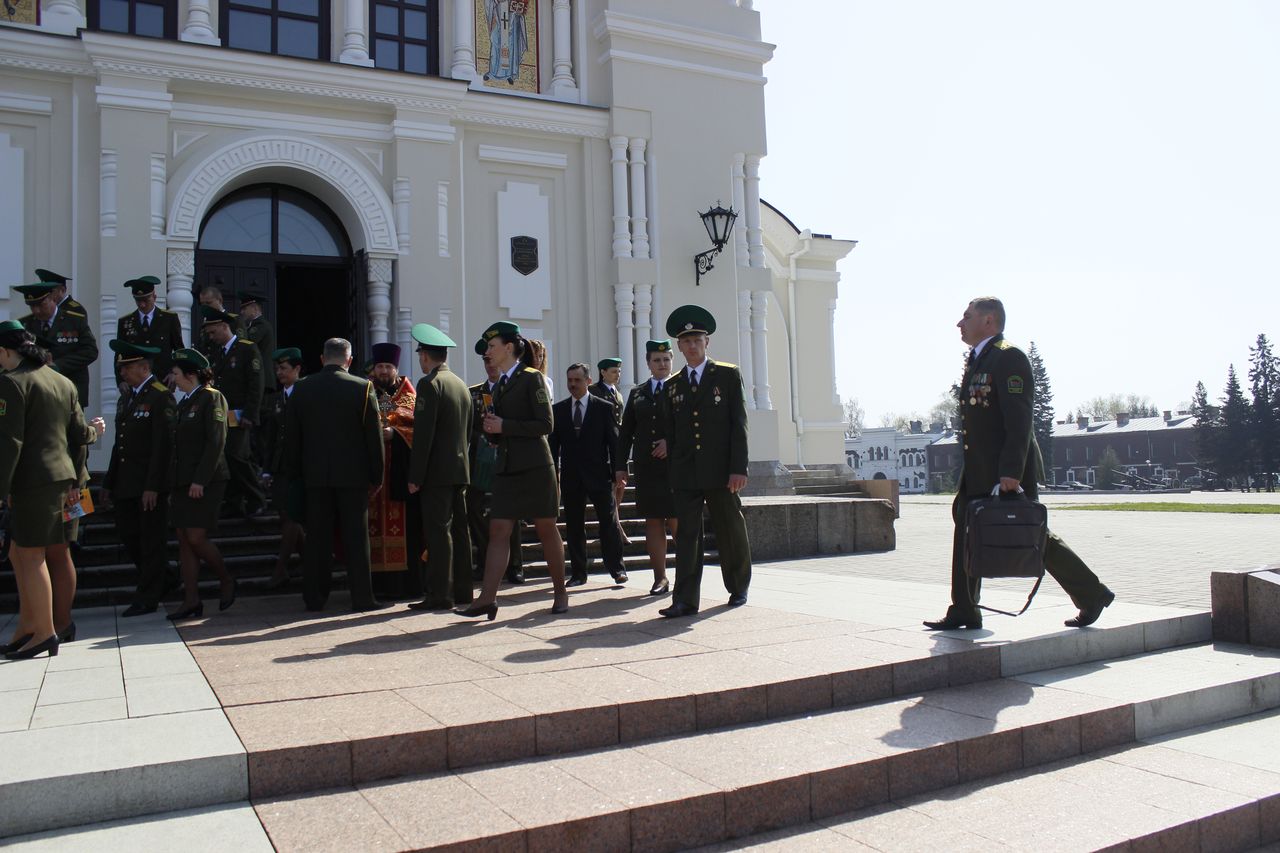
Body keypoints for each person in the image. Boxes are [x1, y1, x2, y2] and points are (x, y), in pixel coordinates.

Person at [924, 297, 1116, 631]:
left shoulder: (1008, 356)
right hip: (979, 468)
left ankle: (1091, 594)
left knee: (1031, 535)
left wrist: (1011, 471)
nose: (960, 323)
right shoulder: (980, 358)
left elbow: (1020, 419)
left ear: (988, 321)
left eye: (967, 316)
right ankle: (965, 608)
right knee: (966, 527)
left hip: (1005, 470)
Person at [459, 321, 568, 619]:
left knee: (546, 529)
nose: (488, 352)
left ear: (508, 348)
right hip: (506, 466)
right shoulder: (500, 385)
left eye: (492, 346)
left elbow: (546, 424)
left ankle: (560, 592)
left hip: (535, 466)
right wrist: (493, 432)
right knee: (498, 530)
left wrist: (504, 426)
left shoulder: (532, 378)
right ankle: (487, 598)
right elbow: (503, 428)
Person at [0, 321, 92, 659]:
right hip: (62, 479)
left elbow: (9, 443)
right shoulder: (62, 381)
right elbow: (79, 436)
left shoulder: (12, 382)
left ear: (4, 351)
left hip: (31, 481)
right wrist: (78, 480)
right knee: (27, 553)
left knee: (30, 554)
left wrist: (1, 490)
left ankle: (44, 632)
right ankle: (30, 627)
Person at [657, 305, 752, 618]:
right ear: (679, 346)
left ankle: (738, 587)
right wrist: (673, 472)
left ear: (707, 342)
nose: (692, 346)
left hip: (721, 470)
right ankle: (685, 600)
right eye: (686, 341)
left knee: (729, 529)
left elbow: (738, 424)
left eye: (697, 340)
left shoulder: (726, 375)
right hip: (686, 472)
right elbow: (671, 433)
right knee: (687, 536)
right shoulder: (672, 385)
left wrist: (738, 468)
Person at [284, 337, 388, 613]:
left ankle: (314, 597)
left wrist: (294, 474)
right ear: (349, 360)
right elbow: (373, 438)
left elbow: (292, 437)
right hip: (354, 477)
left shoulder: (301, 388)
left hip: (315, 476)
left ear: (322, 359)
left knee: (317, 539)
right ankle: (362, 597)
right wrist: (377, 476)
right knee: (356, 538)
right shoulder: (363, 388)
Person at [102, 340, 176, 617]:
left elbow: (162, 446)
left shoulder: (160, 396)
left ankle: (148, 596)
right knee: (129, 535)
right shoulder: (127, 397)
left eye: (127, 367)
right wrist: (109, 482)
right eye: (121, 367)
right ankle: (166, 578)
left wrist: (153, 486)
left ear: (144, 368)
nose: (122, 372)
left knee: (151, 542)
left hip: (148, 483)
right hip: (126, 482)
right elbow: (119, 443)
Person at [406, 324, 474, 611]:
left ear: (425, 356)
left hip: (436, 473)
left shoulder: (429, 384)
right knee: (460, 530)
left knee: (438, 532)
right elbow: (468, 432)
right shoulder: (460, 385)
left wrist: (415, 475)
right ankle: (463, 590)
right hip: (459, 469)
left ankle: (440, 593)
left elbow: (424, 436)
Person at [166, 348, 237, 620]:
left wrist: (200, 480)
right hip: (182, 480)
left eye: (175, 373)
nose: (172, 378)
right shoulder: (184, 403)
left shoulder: (212, 398)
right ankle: (191, 600)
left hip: (206, 480)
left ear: (190, 374)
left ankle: (226, 579)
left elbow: (216, 442)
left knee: (196, 537)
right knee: (184, 540)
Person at [550, 362, 628, 587]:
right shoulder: (559, 410)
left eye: (577, 380)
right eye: (570, 380)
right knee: (574, 526)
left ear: (588, 381)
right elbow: (553, 447)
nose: (572, 384)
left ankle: (617, 569)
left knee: (609, 523)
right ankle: (578, 573)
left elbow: (614, 442)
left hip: (599, 476)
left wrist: (619, 471)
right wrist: (553, 474)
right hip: (572, 478)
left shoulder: (603, 408)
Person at [616, 339, 677, 595]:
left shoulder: (681, 388)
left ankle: (687, 576)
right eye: (656, 360)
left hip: (675, 467)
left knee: (677, 521)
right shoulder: (638, 393)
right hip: (647, 467)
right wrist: (620, 466)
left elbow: (693, 425)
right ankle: (660, 578)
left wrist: (671, 443)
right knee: (653, 521)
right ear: (648, 363)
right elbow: (626, 432)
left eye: (666, 359)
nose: (662, 364)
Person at [465, 343, 524, 585]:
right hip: (479, 463)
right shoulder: (473, 393)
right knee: (476, 511)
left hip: (507, 460)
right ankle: (483, 562)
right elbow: (467, 428)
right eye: (486, 361)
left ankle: (515, 566)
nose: (490, 365)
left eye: (492, 360)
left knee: (511, 513)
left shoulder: (513, 389)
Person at [367, 342, 423, 598]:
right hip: (374, 477)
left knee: (408, 531)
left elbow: (418, 429)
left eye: (388, 366)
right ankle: (378, 587)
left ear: (396, 369)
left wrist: (396, 434)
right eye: (380, 366)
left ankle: (407, 586)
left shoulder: (409, 395)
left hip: (400, 476)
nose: (383, 371)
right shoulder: (366, 392)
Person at [202, 305, 266, 517]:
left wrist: (250, 414)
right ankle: (233, 501)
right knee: (225, 457)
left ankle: (256, 497)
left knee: (237, 456)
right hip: (222, 414)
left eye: (213, 332)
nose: (211, 337)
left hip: (240, 413)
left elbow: (256, 384)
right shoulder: (216, 352)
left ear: (224, 326)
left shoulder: (247, 349)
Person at [260, 346, 306, 591]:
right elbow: (271, 438)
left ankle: (280, 570)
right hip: (279, 467)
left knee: (291, 517)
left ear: (297, 369)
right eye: (277, 369)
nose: (279, 373)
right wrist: (267, 469)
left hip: (299, 467)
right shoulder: (277, 399)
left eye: (284, 368)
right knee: (285, 517)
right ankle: (310, 564)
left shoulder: (306, 394)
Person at [14, 281, 98, 408]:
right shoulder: (25, 325)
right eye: (32, 306)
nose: (36, 311)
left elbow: (90, 351)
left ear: (53, 298)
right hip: (37, 392)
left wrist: (57, 365)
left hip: (70, 388)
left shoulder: (75, 320)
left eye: (41, 305)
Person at [116, 277, 184, 379]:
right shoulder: (125, 322)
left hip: (163, 378)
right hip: (136, 379)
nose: (142, 305)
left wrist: (174, 373)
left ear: (154, 297)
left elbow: (179, 350)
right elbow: (119, 354)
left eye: (146, 300)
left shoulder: (169, 318)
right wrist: (121, 380)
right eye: (138, 300)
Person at [238, 292, 276, 392]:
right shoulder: (251, 325)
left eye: (244, 308)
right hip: (257, 377)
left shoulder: (261, 325)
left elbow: (247, 342)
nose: (242, 312)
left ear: (254, 308)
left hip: (263, 379)